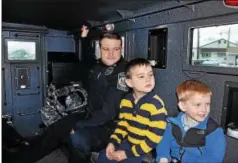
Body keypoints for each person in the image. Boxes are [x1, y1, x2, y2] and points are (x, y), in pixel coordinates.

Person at [5, 25, 128, 163]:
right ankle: (22, 156)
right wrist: (84, 37)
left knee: (70, 133)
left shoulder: (121, 75)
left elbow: (107, 114)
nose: (111, 54)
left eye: (116, 49)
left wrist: (78, 125)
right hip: (91, 114)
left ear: (121, 49)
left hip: (109, 126)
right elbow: (88, 58)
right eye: (106, 49)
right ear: (100, 49)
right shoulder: (100, 65)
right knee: (58, 127)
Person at [97, 58, 168, 163]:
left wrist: (126, 154)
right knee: (103, 157)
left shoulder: (156, 105)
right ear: (129, 82)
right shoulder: (126, 101)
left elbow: (153, 140)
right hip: (129, 144)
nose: (148, 79)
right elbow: (122, 126)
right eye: (141, 76)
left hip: (146, 149)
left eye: (150, 75)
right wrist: (113, 143)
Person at [156, 80, 226, 163]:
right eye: (198, 105)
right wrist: (163, 157)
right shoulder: (172, 124)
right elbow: (164, 142)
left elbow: (214, 159)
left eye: (207, 104)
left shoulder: (213, 131)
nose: (204, 109)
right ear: (182, 106)